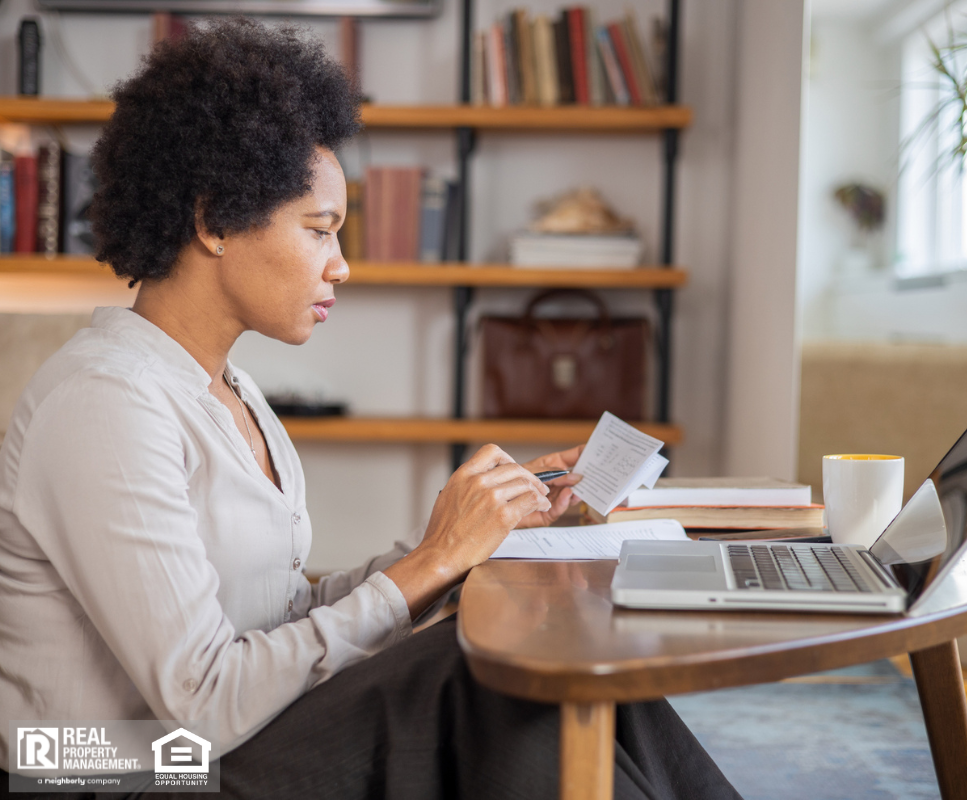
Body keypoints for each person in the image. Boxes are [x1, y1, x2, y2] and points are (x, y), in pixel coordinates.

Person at [0, 19, 742, 800]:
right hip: (104, 765)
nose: (342, 264)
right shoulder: (104, 404)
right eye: (320, 230)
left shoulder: (233, 395)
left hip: (212, 738)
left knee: (505, 664)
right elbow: (206, 703)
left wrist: (461, 541)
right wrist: (435, 563)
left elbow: (284, 615)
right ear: (214, 221)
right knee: (474, 675)